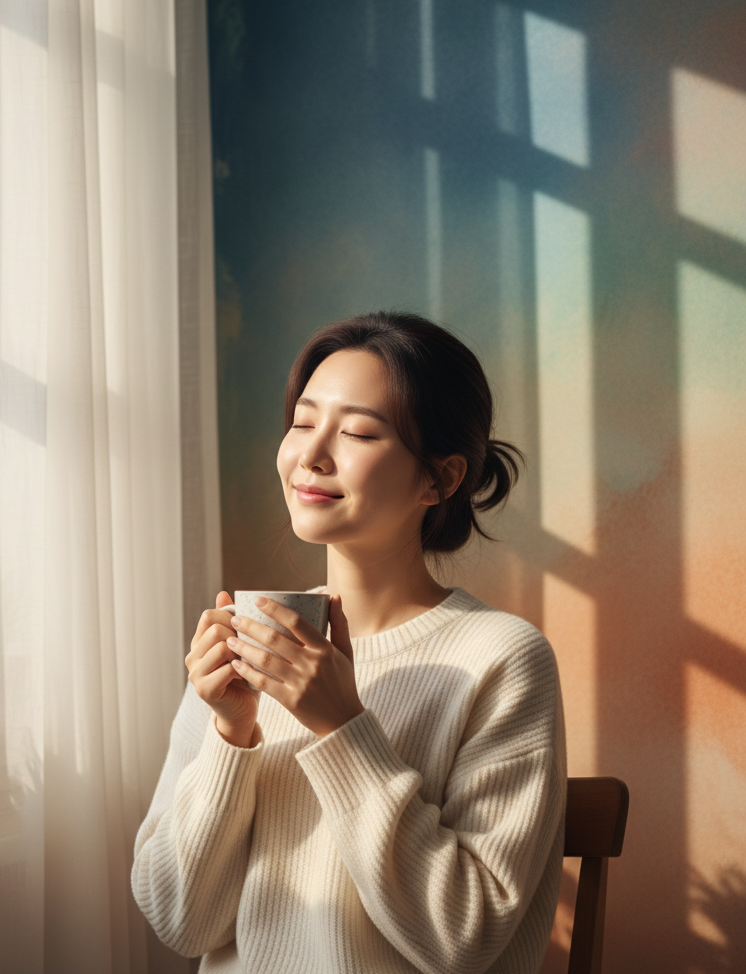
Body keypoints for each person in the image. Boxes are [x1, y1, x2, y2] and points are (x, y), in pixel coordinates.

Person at [132, 311, 565, 974]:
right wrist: (229, 736)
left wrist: (341, 726)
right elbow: (180, 921)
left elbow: (463, 938)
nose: (311, 454)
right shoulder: (250, 640)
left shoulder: (502, 657)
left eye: (359, 432)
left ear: (441, 480)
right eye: (303, 422)